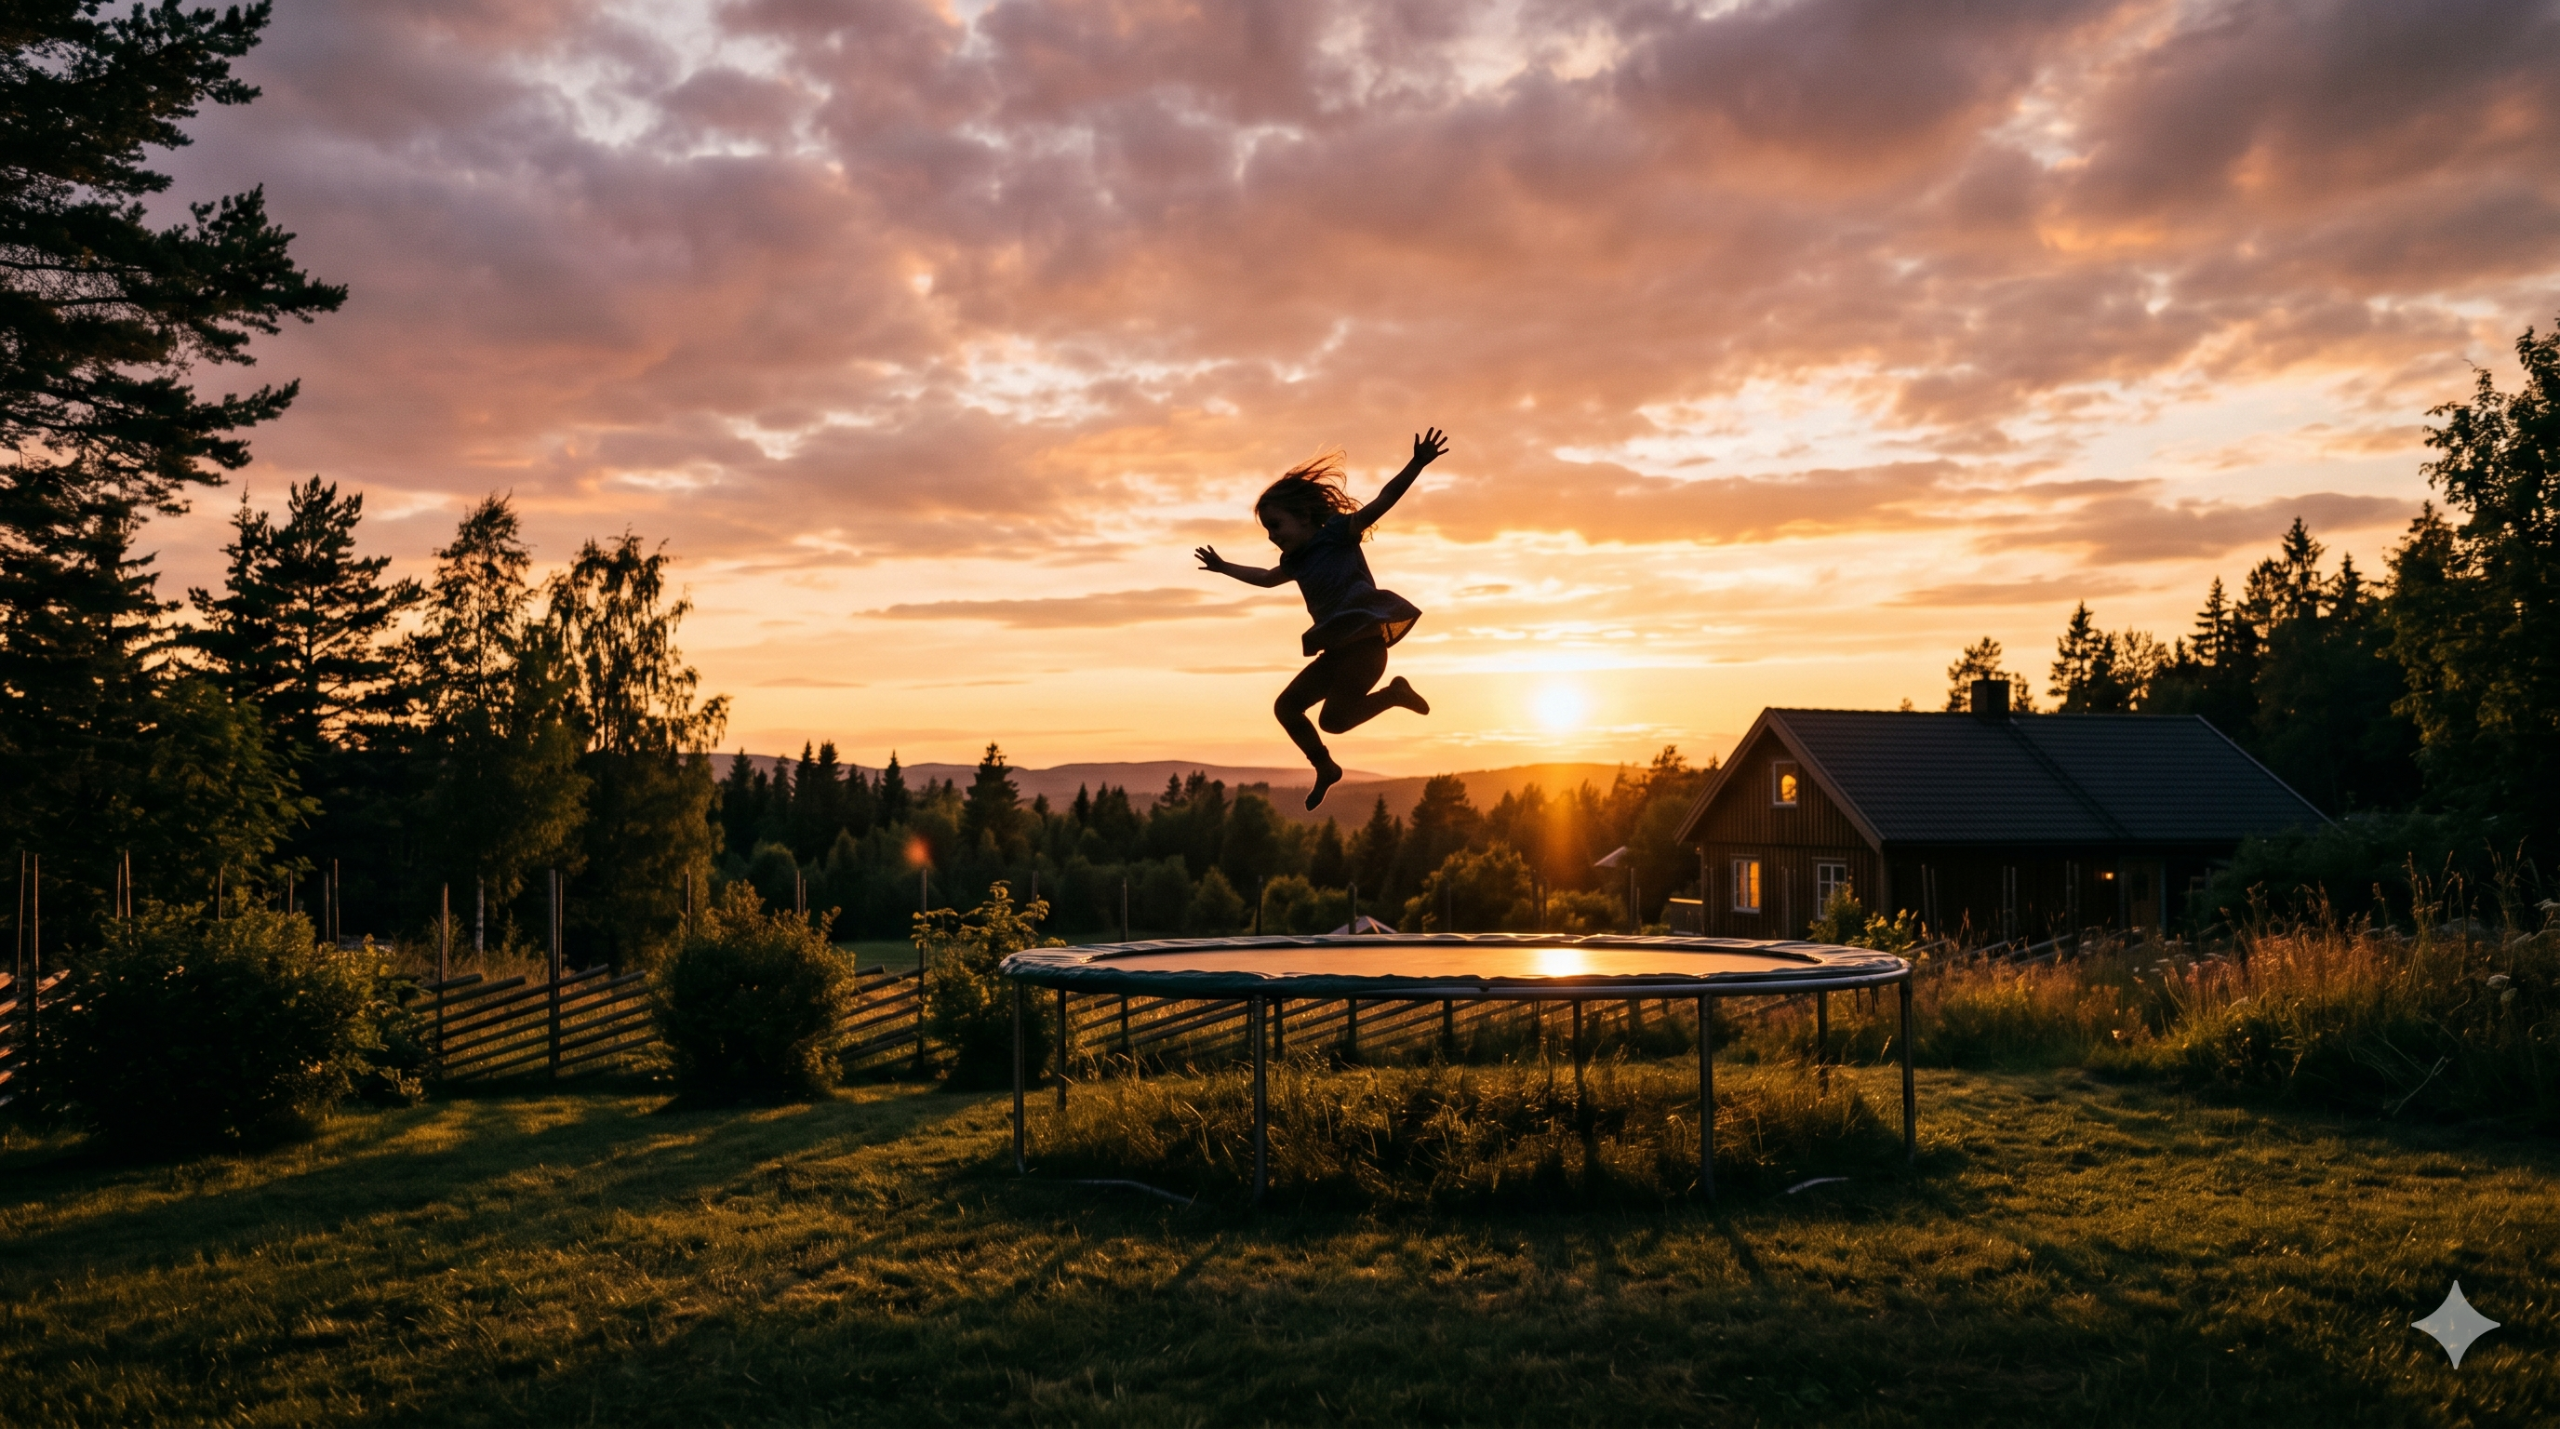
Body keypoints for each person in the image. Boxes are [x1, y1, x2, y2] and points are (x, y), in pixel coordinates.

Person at [1196, 428, 1449, 808]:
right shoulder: (1295, 560)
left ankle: (1394, 694)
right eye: (1267, 530)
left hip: (1364, 649)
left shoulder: (1336, 533)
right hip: (1334, 654)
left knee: (1334, 720)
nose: (1271, 536)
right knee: (1286, 707)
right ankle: (1325, 766)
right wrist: (1223, 567)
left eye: (1275, 526)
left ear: (1302, 516)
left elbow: (1383, 500)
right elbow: (1266, 579)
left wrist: (1417, 463)